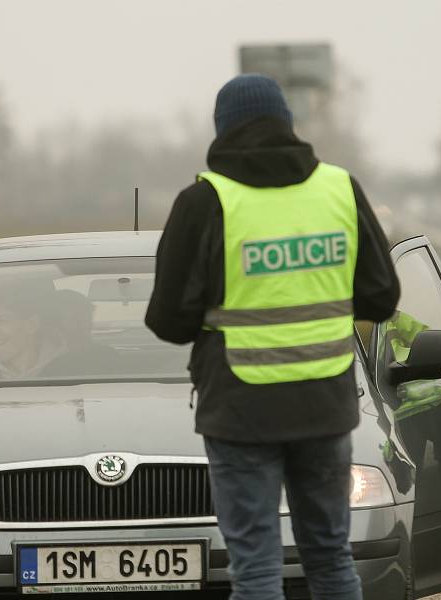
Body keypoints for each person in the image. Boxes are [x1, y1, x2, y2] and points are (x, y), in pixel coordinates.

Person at [146, 74, 400, 600]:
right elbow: (381, 298)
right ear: (288, 123)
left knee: (257, 570)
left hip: (240, 412)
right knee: (331, 559)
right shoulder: (339, 188)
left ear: (222, 130)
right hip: (325, 405)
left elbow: (168, 322)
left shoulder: (204, 201)